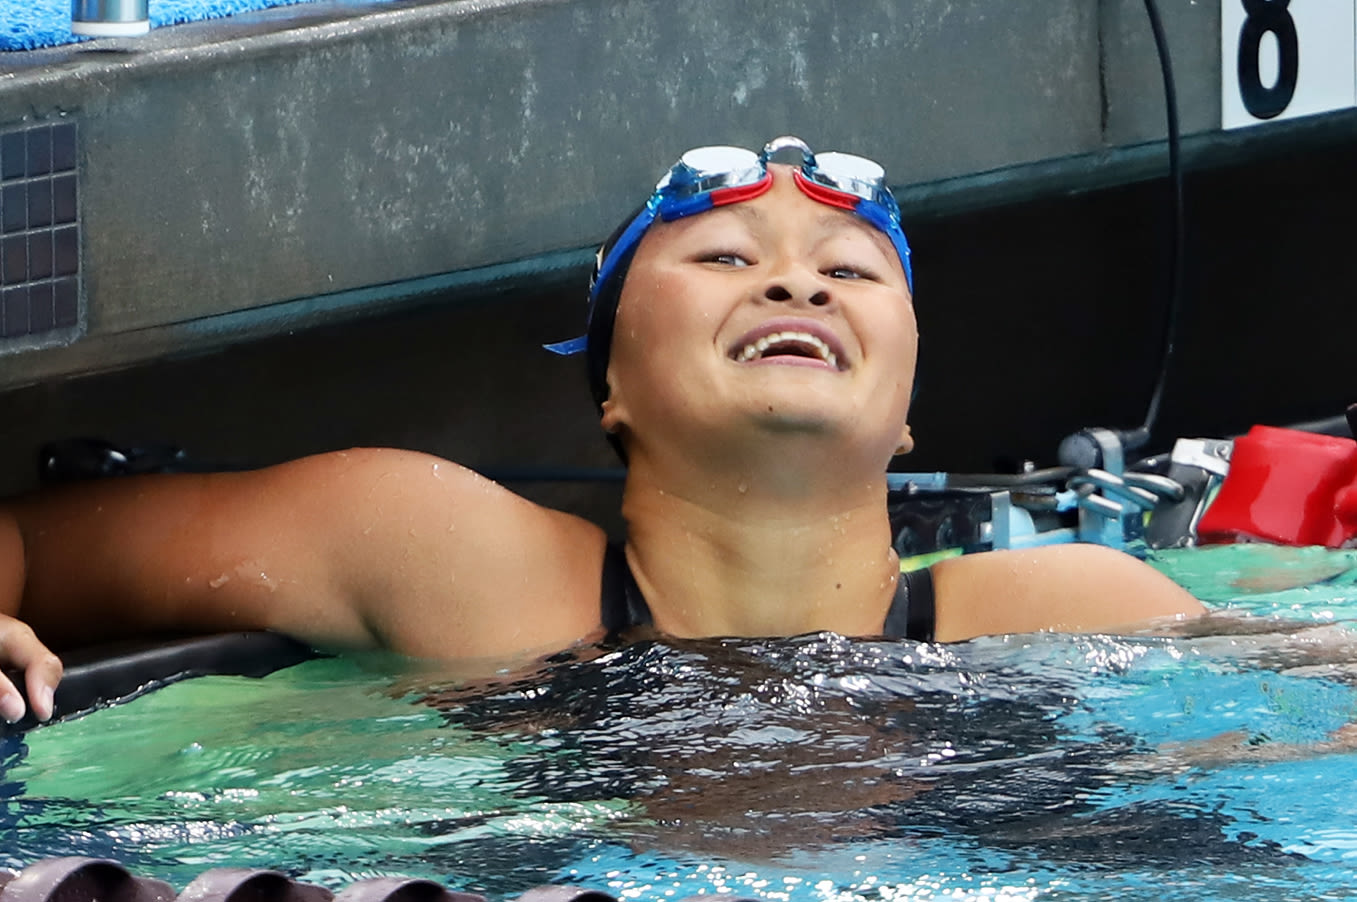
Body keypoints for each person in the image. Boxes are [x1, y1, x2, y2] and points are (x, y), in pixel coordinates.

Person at [0, 136, 1204, 724]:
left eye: (847, 269)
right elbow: (34, 546)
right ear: (612, 381)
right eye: (729, 257)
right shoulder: (435, 556)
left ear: (905, 413)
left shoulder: (1082, 606)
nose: (797, 286)